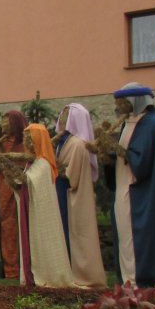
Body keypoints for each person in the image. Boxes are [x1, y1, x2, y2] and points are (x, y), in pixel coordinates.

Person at [110, 82, 155, 287]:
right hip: (123, 187)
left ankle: (141, 281)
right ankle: (127, 280)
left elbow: (142, 163)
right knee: (125, 236)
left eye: (121, 102)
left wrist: (116, 149)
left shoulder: (151, 124)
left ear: (133, 101)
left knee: (137, 237)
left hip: (140, 192)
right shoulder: (128, 123)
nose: (118, 106)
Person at [54, 103, 106, 288]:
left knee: (76, 232)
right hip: (62, 192)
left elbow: (71, 177)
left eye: (65, 116)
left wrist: (56, 170)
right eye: (61, 114)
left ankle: (80, 273)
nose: (61, 118)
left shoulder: (77, 144)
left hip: (71, 193)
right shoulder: (64, 142)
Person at [20, 123, 74, 287]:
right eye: (26, 139)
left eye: (30, 139)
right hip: (30, 208)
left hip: (41, 214)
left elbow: (32, 182)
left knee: (42, 241)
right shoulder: (32, 162)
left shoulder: (43, 164)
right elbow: (25, 181)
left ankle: (46, 273)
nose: (27, 143)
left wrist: (21, 179)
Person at [0, 110, 25, 280]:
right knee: (5, 228)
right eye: (2, 121)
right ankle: (8, 268)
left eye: (6, 122)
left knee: (14, 228)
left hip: (15, 192)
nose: (2, 125)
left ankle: (15, 269)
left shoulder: (21, 144)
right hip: (1, 191)